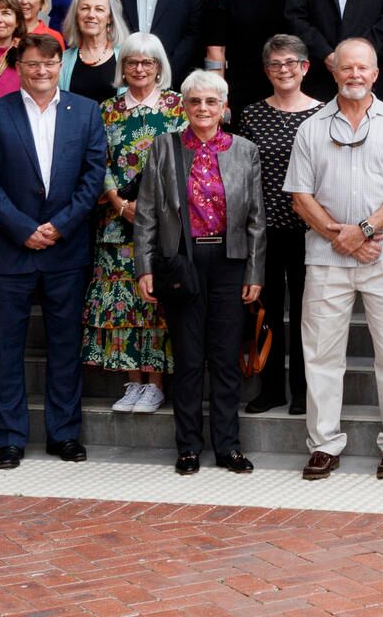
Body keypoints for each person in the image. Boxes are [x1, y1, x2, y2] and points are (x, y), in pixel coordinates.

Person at [0, 31, 107, 468]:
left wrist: (60, 227)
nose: (42, 71)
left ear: (59, 65)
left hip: (65, 252)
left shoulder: (85, 112)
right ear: (19, 68)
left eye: (49, 64)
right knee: (6, 349)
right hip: (10, 251)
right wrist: (24, 228)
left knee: (65, 348)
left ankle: (63, 434)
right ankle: (9, 438)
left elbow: (92, 178)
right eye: (32, 64)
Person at [286, 38, 383, 480]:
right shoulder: (311, 128)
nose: (355, 75)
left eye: (363, 68)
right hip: (326, 257)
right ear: (334, 72)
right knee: (322, 356)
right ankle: (323, 444)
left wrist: (362, 231)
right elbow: (300, 197)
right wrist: (338, 235)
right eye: (347, 68)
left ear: (376, 74)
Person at [131, 71, 265, 476]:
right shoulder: (164, 148)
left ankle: (228, 447)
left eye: (211, 102)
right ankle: (188, 447)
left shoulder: (245, 150)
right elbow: (147, 213)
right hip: (180, 263)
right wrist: (144, 266)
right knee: (189, 360)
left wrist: (254, 270)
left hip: (230, 263)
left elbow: (257, 218)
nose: (203, 109)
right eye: (195, 102)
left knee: (225, 359)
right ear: (183, 106)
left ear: (225, 107)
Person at [86, 35, 181, 418]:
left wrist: (151, 207)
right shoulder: (106, 110)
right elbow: (97, 160)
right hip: (116, 222)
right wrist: (117, 201)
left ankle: (155, 384)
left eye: (147, 62)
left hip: (164, 223)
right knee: (123, 304)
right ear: (121, 68)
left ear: (159, 66)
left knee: (154, 302)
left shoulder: (176, 107)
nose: (139, 69)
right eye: (131, 62)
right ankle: (132, 383)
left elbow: (187, 156)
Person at [235, 36, 323, 416]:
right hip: (264, 230)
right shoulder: (252, 115)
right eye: (275, 64)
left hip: (311, 230)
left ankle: (304, 390)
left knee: (308, 312)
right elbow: (240, 174)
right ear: (266, 70)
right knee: (266, 311)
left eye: (291, 62)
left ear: (305, 67)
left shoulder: (323, 114)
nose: (283, 70)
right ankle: (271, 388)